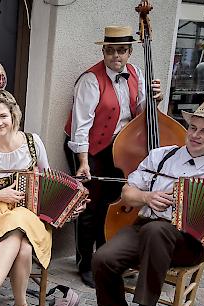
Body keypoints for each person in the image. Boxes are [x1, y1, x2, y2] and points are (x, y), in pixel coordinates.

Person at [92, 99, 204, 306]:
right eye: (193, 128)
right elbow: (128, 193)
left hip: (190, 243)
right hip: (145, 226)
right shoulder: (161, 156)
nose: (195, 135)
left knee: (158, 230)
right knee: (103, 259)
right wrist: (147, 197)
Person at [0, 90, 83, 306]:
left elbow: (48, 179)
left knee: (20, 219)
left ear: (13, 114)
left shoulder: (33, 142)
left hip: (32, 214)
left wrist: (70, 203)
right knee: (23, 248)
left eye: (3, 116)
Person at [64, 25, 163, 288]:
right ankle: (84, 264)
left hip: (120, 148)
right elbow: (80, 126)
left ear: (129, 52)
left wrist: (155, 101)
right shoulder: (90, 80)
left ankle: (105, 258)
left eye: (121, 50)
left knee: (111, 203)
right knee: (89, 206)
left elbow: (140, 112)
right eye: (110, 51)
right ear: (104, 52)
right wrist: (83, 161)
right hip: (89, 146)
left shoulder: (136, 74)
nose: (115, 56)